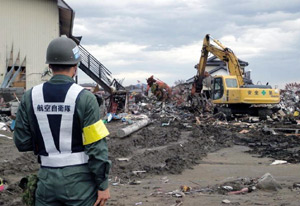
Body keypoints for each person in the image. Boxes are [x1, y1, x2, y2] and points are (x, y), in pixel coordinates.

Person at [13, 36, 111, 206]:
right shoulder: (86, 98)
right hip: (80, 185)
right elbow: (96, 146)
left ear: (49, 66)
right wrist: (103, 184)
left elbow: (22, 142)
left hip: (46, 182)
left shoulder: (30, 97)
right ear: (76, 66)